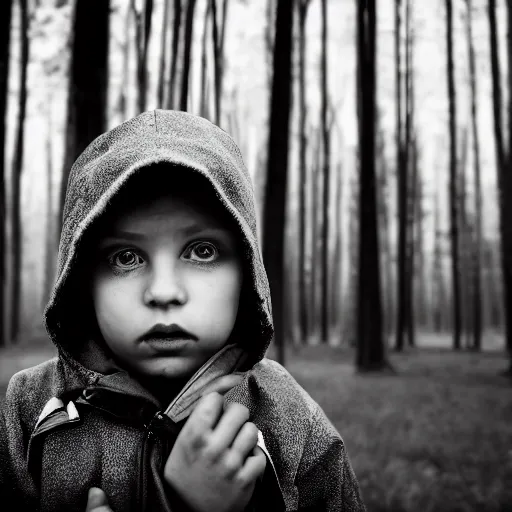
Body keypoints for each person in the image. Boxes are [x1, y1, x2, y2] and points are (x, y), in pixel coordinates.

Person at [0, 110, 366, 511]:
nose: (164, 292)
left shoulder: (293, 426)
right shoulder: (25, 413)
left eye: (202, 251)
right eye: (125, 257)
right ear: (81, 278)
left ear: (246, 272)